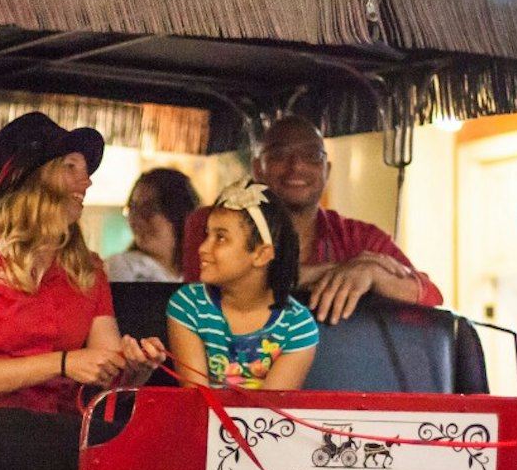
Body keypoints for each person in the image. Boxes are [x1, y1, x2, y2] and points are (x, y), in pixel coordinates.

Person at [0, 110, 165, 470]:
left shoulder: (86, 266)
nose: (86, 182)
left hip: (56, 421)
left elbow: (106, 377)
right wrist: (64, 363)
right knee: (99, 453)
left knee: (152, 444)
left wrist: (135, 368)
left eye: (85, 171)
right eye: (71, 167)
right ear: (33, 178)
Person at [181, 115, 443, 324]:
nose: (296, 166)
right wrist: (337, 270)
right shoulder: (210, 222)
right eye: (280, 155)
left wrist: (373, 274)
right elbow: (210, 288)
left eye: (311, 156)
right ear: (258, 168)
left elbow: (430, 297)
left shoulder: (359, 237)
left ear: (326, 170)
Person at [168, 181, 318, 390]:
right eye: (206, 235)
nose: (202, 248)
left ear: (261, 254)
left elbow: (267, 416)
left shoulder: (297, 326)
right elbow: (198, 401)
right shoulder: (188, 305)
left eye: (220, 238)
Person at [105, 167, 200, 282]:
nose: (136, 220)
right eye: (133, 208)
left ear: (178, 215)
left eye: (148, 210)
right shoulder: (125, 267)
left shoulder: (197, 275)